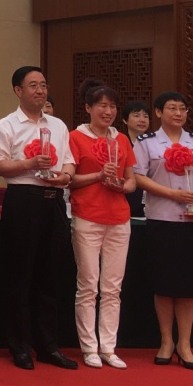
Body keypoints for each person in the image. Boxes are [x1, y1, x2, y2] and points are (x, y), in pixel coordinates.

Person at [0, 65, 78, 370]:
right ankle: (20, 346)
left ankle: (48, 346)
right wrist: (29, 163)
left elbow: (69, 162)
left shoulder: (58, 125)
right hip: (23, 201)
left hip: (54, 202)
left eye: (43, 85)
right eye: (33, 85)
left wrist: (65, 176)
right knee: (20, 276)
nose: (40, 90)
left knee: (50, 277)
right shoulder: (5, 126)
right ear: (18, 91)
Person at [134, 90, 193, 370]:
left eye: (183, 109)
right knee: (164, 284)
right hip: (162, 219)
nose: (179, 113)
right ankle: (166, 341)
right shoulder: (147, 142)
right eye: (172, 108)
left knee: (188, 286)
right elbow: (138, 177)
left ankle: (185, 344)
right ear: (159, 112)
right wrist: (172, 194)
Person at [62, 79, 137, 369]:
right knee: (88, 285)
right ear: (88, 108)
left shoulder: (122, 140)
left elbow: (131, 180)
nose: (108, 111)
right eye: (102, 106)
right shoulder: (75, 137)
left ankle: (108, 347)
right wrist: (98, 176)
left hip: (119, 218)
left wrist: (122, 185)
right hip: (87, 216)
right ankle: (89, 347)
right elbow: (70, 179)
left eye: (113, 106)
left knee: (113, 288)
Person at [121, 101, 151, 217]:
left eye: (146, 116)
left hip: (149, 200)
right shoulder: (120, 143)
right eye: (137, 115)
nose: (142, 120)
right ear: (125, 120)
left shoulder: (154, 144)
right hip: (126, 198)